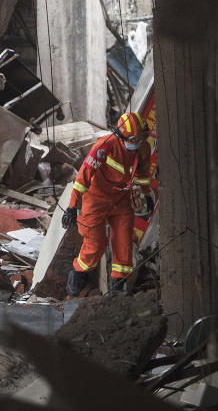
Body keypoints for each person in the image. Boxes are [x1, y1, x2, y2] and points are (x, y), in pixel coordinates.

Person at [61, 111, 153, 297]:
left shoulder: (142, 148)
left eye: (139, 139)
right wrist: (72, 206)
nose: (136, 143)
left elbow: (142, 174)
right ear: (121, 136)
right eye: (133, 139)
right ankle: (77, 279)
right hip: (96, 200)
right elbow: (83, 176)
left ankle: (118, 287)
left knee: (123, 243)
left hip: (120, 201)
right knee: (95, 244)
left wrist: (147, 195)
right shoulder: (105, 146)